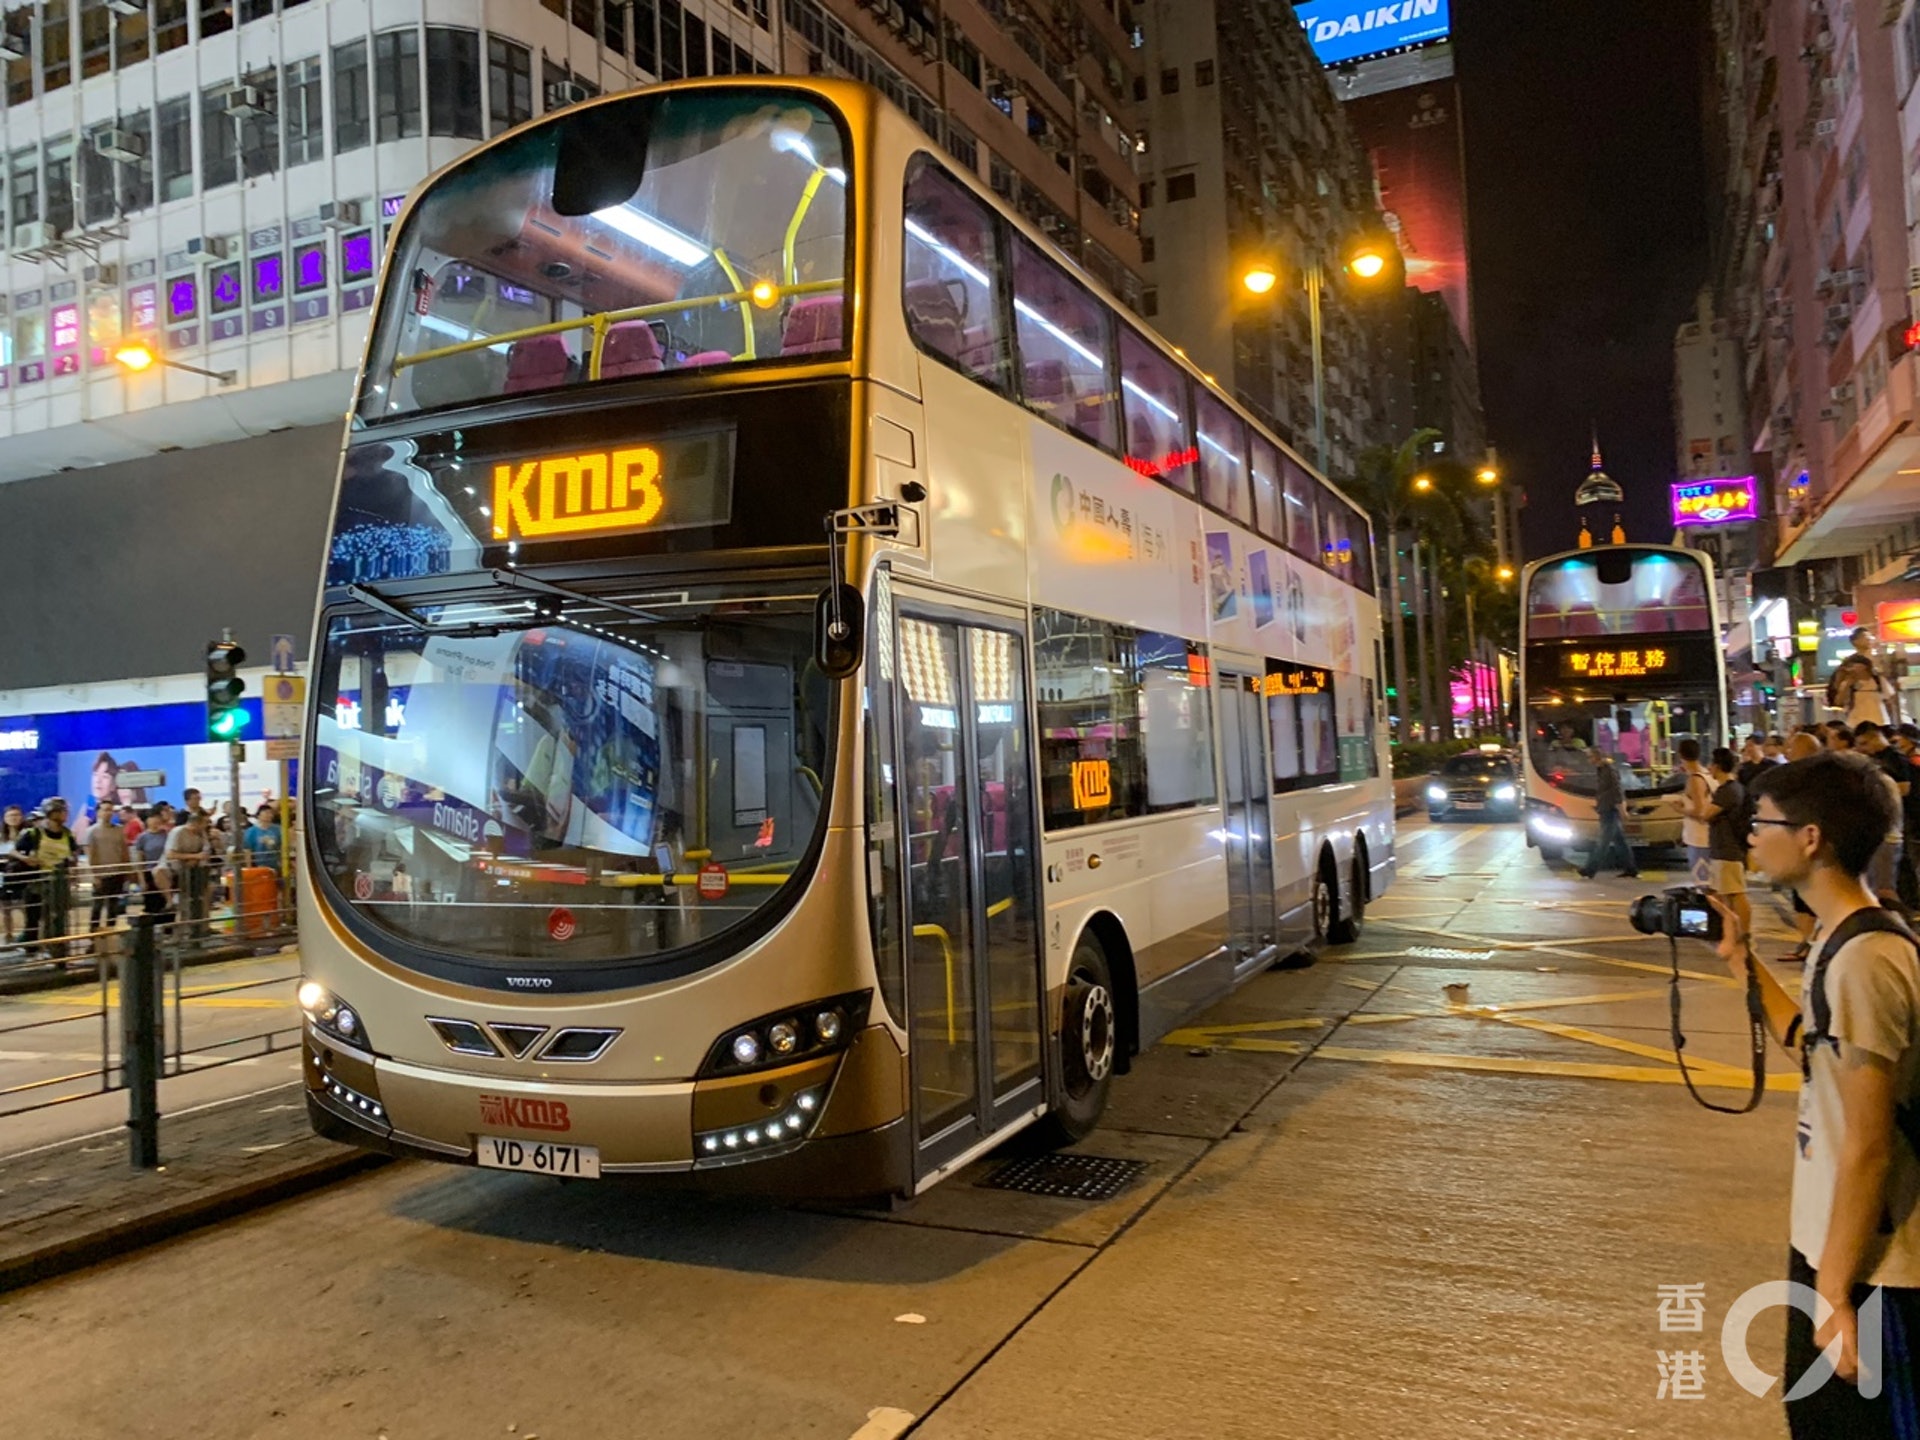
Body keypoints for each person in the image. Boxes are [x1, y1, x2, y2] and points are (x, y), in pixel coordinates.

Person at [1710, 753, 1920, 1435]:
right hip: (1834, 1244)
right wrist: (1743, 960)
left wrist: (1833, 1294)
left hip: (1875, 1265)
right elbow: (1810, 1041)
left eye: (1762, 821)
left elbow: (1868, 1145)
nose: (1749, 834)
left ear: (1811, 838)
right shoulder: (1839, 937)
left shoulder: (1867, 958)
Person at [15, 799, 79, 952]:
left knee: (58, 917)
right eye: (63, 811)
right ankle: (32, 949)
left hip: (59, 881)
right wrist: (26, 859)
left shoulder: (67, 834)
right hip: (37, 881)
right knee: (34, 917)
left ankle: (57, 946)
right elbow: (14, 850)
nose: (66, 814)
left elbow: (73, 853)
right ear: (53, 813)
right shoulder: (34, 833)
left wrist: (72, 867)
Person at [1701, 745, 1751, 936]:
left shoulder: (1728, 790)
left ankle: (1743, 932)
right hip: (1723, 849)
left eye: (1711, 764)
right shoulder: (1730, 789)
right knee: (1724, 894)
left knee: (1736, 894)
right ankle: (1734, 929)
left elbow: (1706, 814)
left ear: (1717, 765)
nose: (1709, 768)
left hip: (1728, 850)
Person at [1579, 752, 1638, 880]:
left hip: (1609, 809)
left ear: (1597, 757)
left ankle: (1589, 870)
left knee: (1603, 842)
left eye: (1590, 756)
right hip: (1606, 808)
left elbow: (1617, 791)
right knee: (1620, 841)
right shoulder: (1602, 769)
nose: (1589, 759)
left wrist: (1622, 810)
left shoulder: (1609, 770)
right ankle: (1631, 869)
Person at [1829, 628, 1895, 727]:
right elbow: (1839, 696)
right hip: (1857, 716)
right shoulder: (1849, 664)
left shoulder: (1879, 662)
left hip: (1879, 715)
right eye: (1865, 637)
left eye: (1870, 637)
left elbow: (1889, 696)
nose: (1869, 639)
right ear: (1855, 642)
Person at [83, 800, 131, 938]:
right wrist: (94, 875)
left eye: (110, 809)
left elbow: (124, 851)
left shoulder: (119, 830)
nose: (108, 812)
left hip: (117, 873)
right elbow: (90, 855)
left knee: (113, 906)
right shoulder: (91, 832)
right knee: (97, 906)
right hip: (101, 875)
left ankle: (110, 933)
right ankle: (93, 935)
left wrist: (127, 870)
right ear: (98, 812)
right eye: (105, 809)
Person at [1678, 737, 1713, 887]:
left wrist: (1679, 809)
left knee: (1704, 885)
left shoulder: (1695, 779)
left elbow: (1700, 811)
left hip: (1699, 838)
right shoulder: (1707, 774)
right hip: (1705, 837)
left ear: (1680, 755)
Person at [0, 804, 27, 944]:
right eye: (10, 816)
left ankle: (28, 934)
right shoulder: (1, 837)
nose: (13, 818)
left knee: (24, 906)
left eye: (16, 815)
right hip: (3, 876)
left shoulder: (27, 834)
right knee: (5, 907)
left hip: (21, 875)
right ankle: (8, 934)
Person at [243, 803, 283, 872]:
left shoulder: (278, 829)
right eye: (266, 813)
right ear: (259, 815)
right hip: (258, 865)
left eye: (270, 813)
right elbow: (248, 850)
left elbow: (282, 846)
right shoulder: (251, 831)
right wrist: (249, 868)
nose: (269, 815)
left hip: (276, 864)